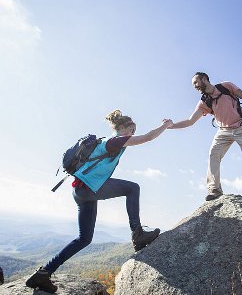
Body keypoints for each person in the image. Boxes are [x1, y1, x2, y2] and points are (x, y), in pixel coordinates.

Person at [26, 110, 173, 293]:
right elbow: (149, 137)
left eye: (134, 131)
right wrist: (165, 125)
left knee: (84, 239)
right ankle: (138, 233)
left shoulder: (107, 142)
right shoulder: (113, 141)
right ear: (120, 128)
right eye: (130, 129)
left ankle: (44, 273)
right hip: (88, 187)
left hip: (81, 190)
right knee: (132, 188)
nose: (132, 134)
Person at [169, 72, 242, 206]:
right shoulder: (204, 101)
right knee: (213, 154)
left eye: (196, 83)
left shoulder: (226, 86)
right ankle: (214, 189)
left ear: (204, 79)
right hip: (223, 131)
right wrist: (172, 125)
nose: (195, 86)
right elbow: (191, 121)